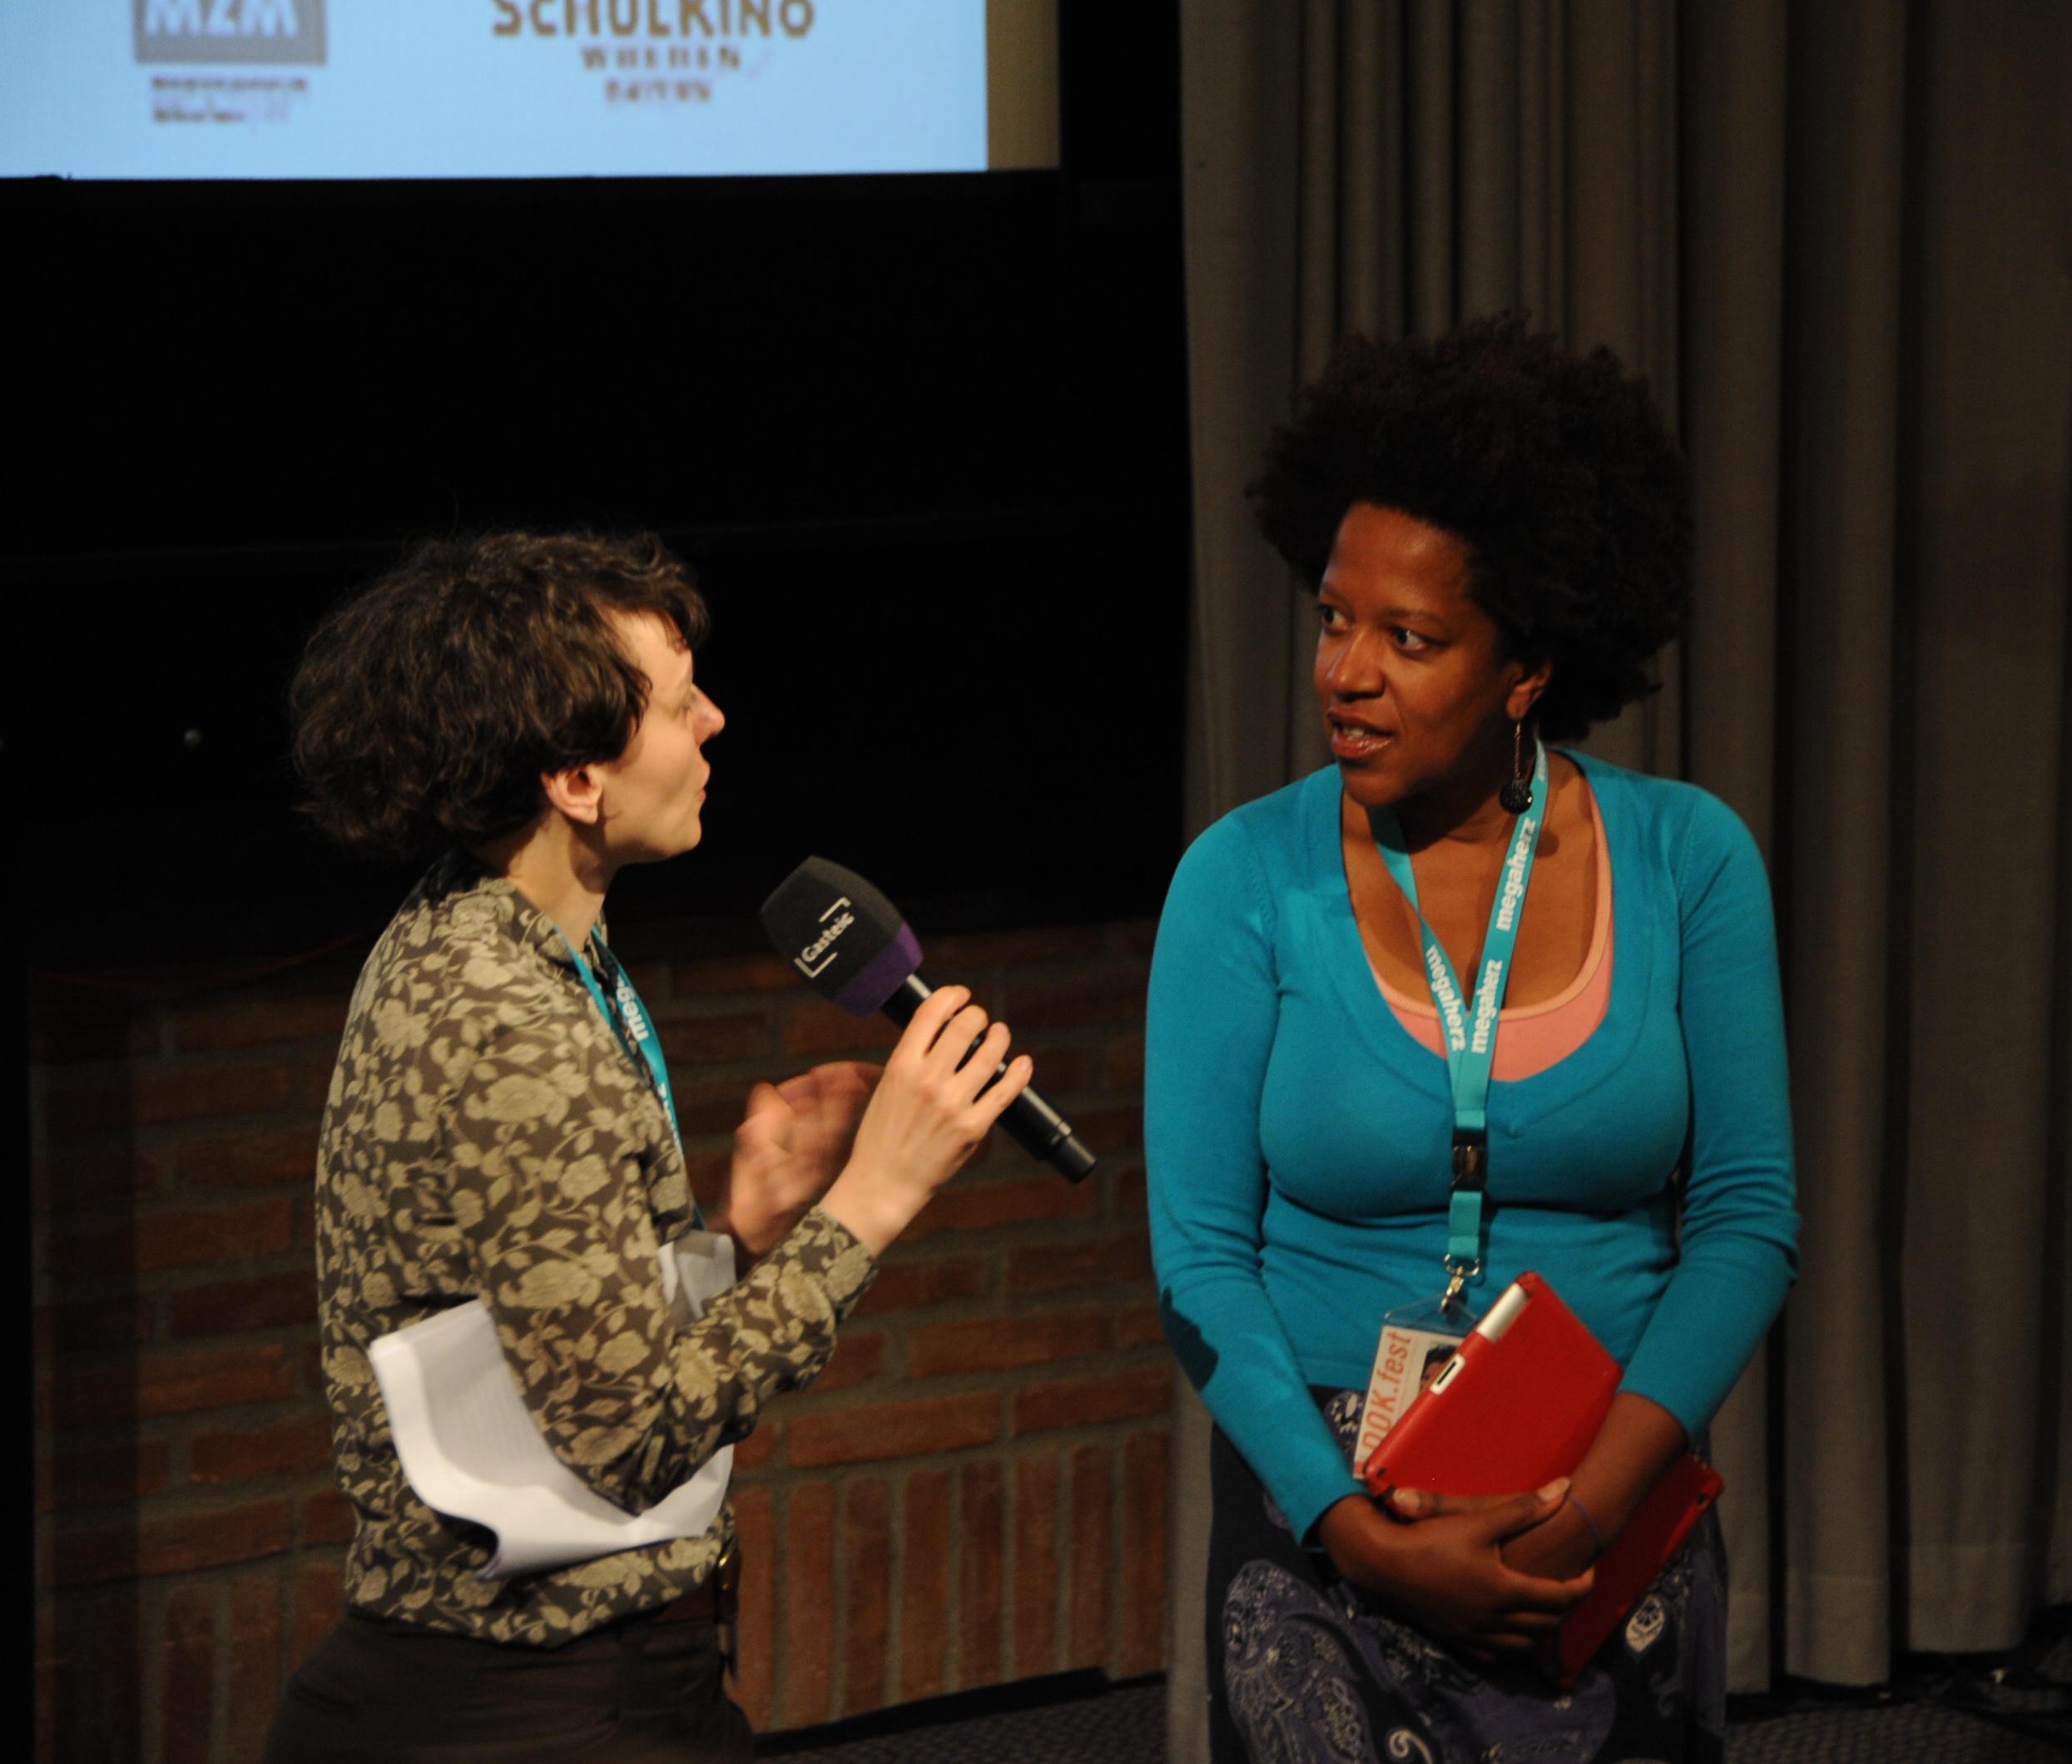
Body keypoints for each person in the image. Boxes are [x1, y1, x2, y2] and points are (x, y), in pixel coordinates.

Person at [1147, 315, 1801, 1764]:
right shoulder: (1240, 879)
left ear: (1527, 667)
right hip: (1324, 1510)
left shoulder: (1688, 859)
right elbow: (1199, 1257)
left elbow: (1748, 1221)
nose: (1346, 672)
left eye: (1410, 638)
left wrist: (1589, 1510)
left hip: (1598, 1484)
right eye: (1334, 619)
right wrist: (1357, 1535)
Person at [263, 532, 1032, 1762]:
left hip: (575, 1683)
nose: (715, 719)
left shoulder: (495, 938)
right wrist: (874, 1197)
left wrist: (737, 1243)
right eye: (679, 705)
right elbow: (628, 1438)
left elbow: (552, 1336)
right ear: (578, 778)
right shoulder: (510, 1024)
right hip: (529, 1705)